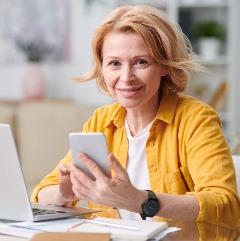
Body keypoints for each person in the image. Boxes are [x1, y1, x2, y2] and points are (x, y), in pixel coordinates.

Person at [31, 5, 240, 229]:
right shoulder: (101, 121)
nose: (126, 77)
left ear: (164, 66)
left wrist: (141, 200)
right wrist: (65, 192)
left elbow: (225, 203)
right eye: (114, 63)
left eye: (141, 62)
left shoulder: (196, 119)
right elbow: (42, 192)